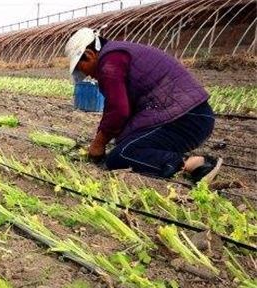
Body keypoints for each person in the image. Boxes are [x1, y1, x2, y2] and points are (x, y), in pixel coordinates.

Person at [65, 28, 222, 183]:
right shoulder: (117, 53)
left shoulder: (110, 62)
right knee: (125, 143)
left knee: (120, 156)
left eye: (81, 68)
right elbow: (118, 109)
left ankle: (194, 164)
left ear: (89, 55)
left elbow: (118, 111)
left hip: (187, 119)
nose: (86, 75)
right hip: (192, 115)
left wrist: (98, 144)